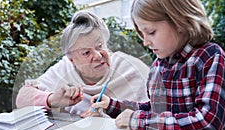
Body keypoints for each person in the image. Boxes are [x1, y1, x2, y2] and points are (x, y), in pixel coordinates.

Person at [86, 0, 225, 130]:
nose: (145, 42)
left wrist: (139, 121)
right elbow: (155, 109)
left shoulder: (210, 58)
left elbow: (207, 122)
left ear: (179, 22)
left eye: (151, 32)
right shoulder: (158, 66)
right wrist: (113, 106)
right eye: (142, 34)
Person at [16, 10, 150, 116]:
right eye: (86, 53)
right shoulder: (63, 69)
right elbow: (22, 98)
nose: (97, 56)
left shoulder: (131, 68)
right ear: (72, 60)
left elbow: (156, 113)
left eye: (99, 46)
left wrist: (106, 119)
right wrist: (52, 99)